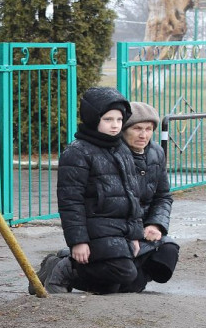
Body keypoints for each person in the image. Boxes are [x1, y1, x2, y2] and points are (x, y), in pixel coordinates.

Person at [36, 87, 143, 295]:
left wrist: (135, 235)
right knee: (124, 273)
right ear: (94, 119)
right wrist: (78, 241)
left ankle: (58, 263)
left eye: (119, 120)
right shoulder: (77, 152)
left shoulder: (121, 148)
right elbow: (71, 202)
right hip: (95, 228)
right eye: (108, 119)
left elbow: (133, 194)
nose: (115, 125)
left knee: (122, 283)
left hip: (119, 229)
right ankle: (65, 269)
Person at [117, 102, 180, 292]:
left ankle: (136, 270)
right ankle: (64, 265)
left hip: (145, 227)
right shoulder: (113, 155)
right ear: (124, 130)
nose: (143, 135)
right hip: (119, 229)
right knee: (128, 285)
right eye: (136, 128)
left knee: (168, 252)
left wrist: (156, 224)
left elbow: (163, 196)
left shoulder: (156, 152)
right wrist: (133, 233)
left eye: (149, 129)